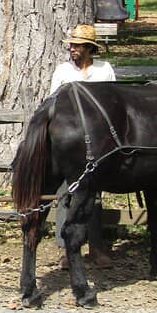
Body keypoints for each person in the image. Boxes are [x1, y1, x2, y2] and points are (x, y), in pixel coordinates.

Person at [49, 24, 116, 269]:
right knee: (66, 195)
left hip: (98, 144)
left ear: (89, 48)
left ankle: (97, 248)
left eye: (77, 45)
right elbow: (52, 105)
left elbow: (113, 104)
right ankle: (67, 249)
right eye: (71, 44)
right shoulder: (63, 71)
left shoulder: (104, 70)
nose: (72, 48)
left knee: (94, 196)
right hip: (70, 143)